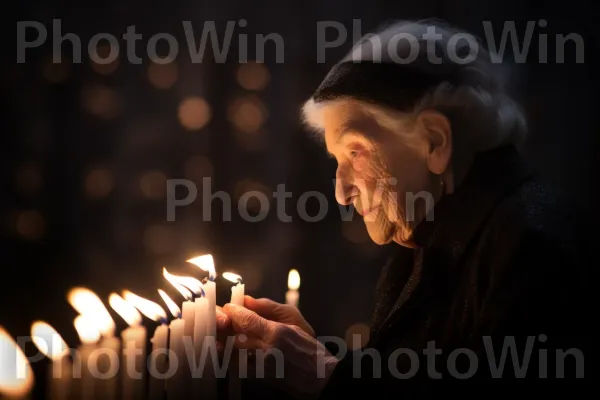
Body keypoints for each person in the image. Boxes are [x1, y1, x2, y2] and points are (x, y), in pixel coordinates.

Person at [217, 19, 591, 398]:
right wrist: (320, 358)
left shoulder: (533, 250)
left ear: (434, 141)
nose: (341, 194)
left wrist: (330, 378)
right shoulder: (429, 239)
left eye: (355, 152)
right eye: (336, 160)